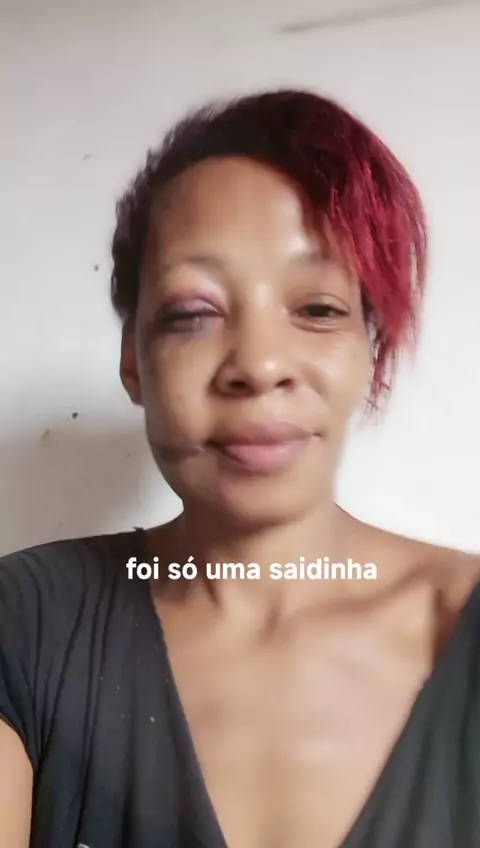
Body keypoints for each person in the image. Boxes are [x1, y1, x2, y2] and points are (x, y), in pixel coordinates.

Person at [0, 88, 478, 848]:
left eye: (318, 309)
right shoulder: (25, 623)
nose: (258, 364)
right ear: (134, 359)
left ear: (371, 352)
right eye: (193, 312)